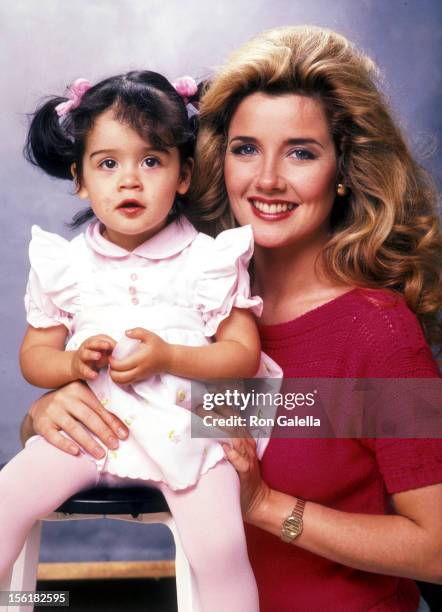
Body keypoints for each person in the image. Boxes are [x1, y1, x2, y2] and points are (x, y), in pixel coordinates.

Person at [20, 26, 442, 611]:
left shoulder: (378, 331)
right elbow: (158, 435)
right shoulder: (191, 300)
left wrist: (267, 506)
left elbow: (436, 548)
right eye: (246, 149)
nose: (267, 179)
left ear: (343, 169)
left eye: (301, 151)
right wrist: (49, 412)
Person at [0, 69, 286, 612]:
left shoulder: (208, 259)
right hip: (93, 429)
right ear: (80, 178)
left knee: (221, 550)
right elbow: (34, 359)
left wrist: (170, 356)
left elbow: (241, 355)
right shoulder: (66, 264)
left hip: (190, 434)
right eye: (108, 164)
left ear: (183, 175)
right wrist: (71, 364)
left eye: (151, 161)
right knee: (4, 503)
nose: (130, 180)